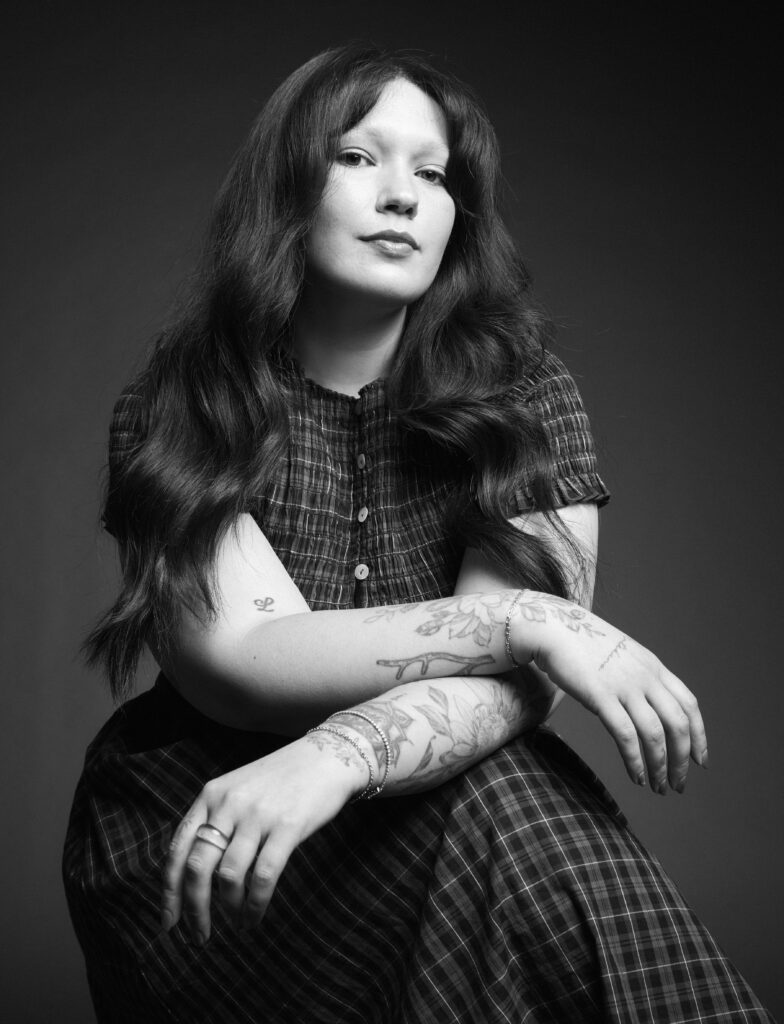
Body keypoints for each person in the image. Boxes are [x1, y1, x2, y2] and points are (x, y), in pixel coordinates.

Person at [63, 43, 774, 1024]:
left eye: (433, 176)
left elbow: (507, 692)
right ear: (286, 187)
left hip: (435, 801)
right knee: (499, 819)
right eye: (358, 158)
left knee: (502, 804)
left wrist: (341, 753)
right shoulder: (185, 400)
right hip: (213, 816)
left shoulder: (524, 394)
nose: (402, 195)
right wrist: (531, 618)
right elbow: (243, 658)